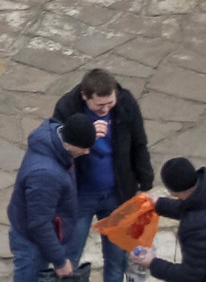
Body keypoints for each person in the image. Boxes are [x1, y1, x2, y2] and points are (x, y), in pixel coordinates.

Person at [50, 70, 153, 282]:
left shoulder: (126, 104)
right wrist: (87, 134)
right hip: (80, 195)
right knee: (70, 257)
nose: (105, 109)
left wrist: (145, 182)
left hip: (117, 193)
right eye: (99, 106)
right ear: (85, 96)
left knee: (117, 259)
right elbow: (56, 150)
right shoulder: (67, 108)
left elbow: (139, 144)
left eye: (110, 103)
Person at [10, 112, 98, 282]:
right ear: (71, 143)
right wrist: (60, 261)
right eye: (85, 147)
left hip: (36, 238)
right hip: (33, 244)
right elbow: (39, 223)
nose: (87, 152)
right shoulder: (46, 174)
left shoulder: (54, 143)